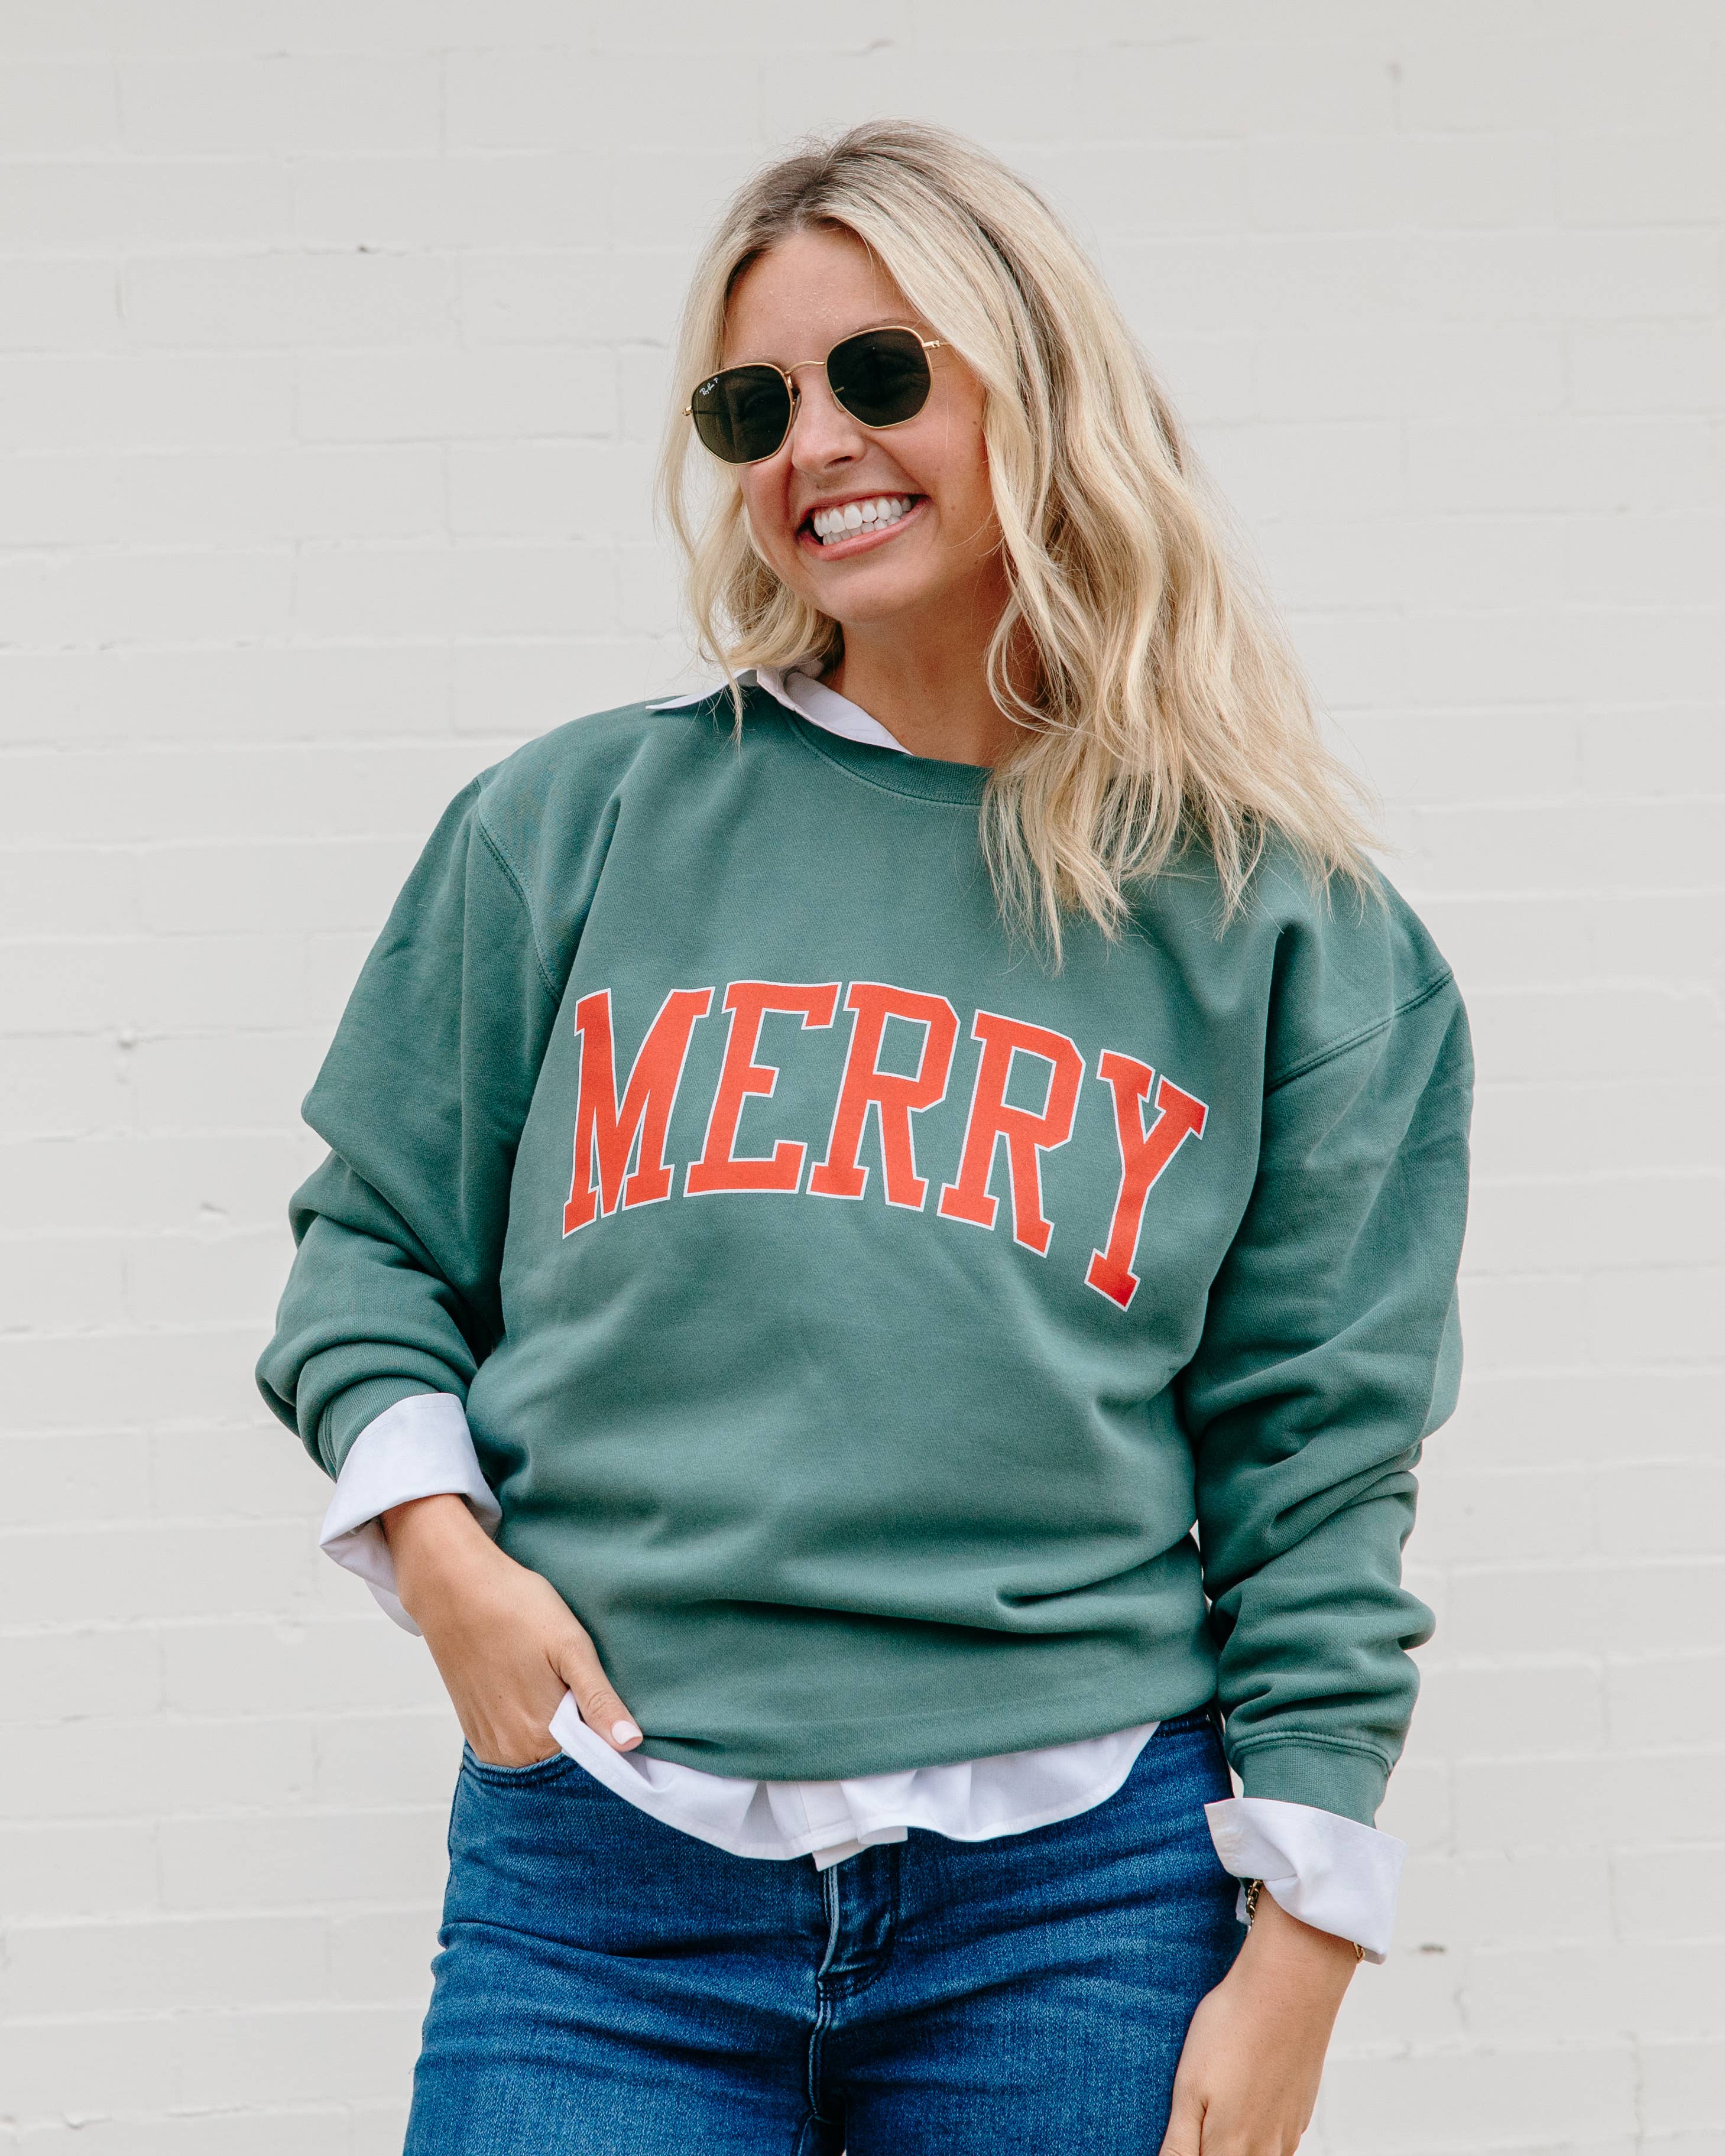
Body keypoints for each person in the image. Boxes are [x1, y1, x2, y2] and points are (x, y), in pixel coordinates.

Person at [257, 119, 1471, 2155]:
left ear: (1041, 391)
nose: (814, 443)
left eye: (880, 374)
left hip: (1079, 1903)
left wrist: (1305, 1951)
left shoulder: (1292, 931)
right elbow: (371, 1251)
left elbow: (1320, 1464)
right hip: (601, 1890)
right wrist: (443, 1557)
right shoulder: (572, 830)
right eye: (755, 406)